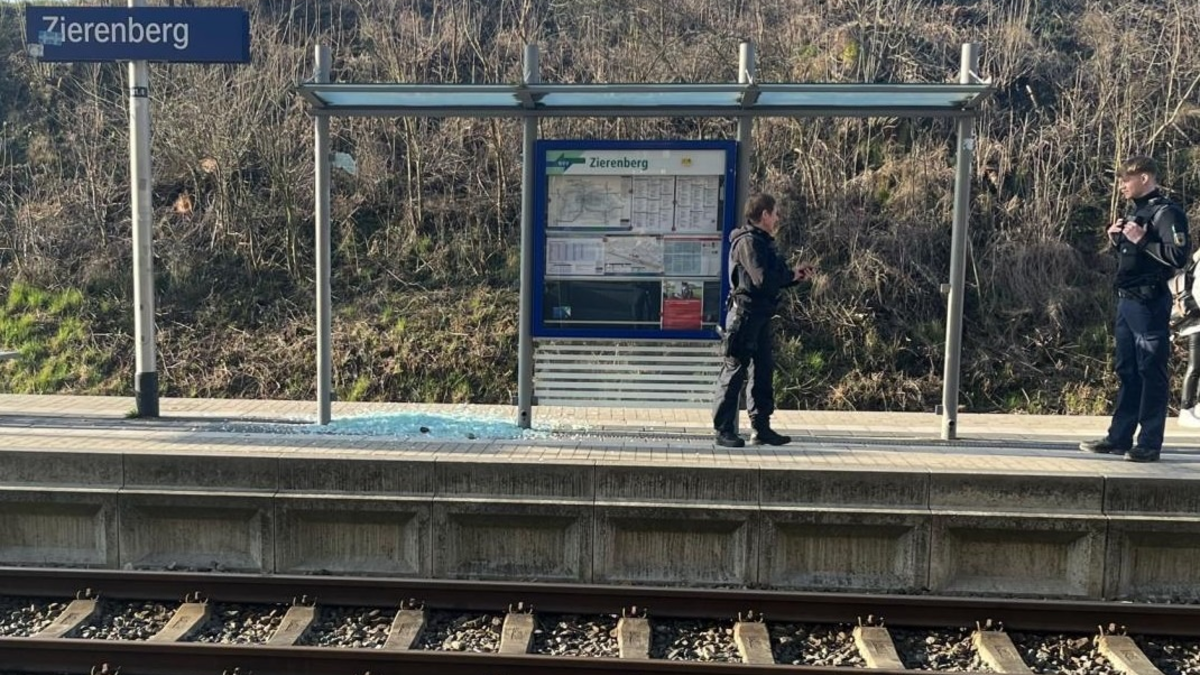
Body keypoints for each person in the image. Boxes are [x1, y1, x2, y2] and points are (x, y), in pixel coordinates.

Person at [1081, 156, 1190, 462]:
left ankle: (1149, 443)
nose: (1121, 185)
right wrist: (1118, 241)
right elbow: (1136, 257)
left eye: (1126, 179)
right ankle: (1119, 437)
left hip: (1149, 302)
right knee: (1127, 370)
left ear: (1144, 178)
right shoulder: (1136, 212)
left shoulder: (1167, 213)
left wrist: (1141, 241)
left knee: (1151, 370)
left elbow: (1178, 256)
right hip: (1127, 300)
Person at [712, 193, 813, 448]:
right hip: (744, 316)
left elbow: (775, 275)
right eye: (775, 213)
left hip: (760, 316)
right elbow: (762, 279)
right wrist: (788, 276)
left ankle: (761, 427)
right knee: (734, 371)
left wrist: (794, 276)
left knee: (763, 371)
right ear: (765, 214)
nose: (778, 218)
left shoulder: (763, 242)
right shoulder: (748, 243)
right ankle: (723, 430)